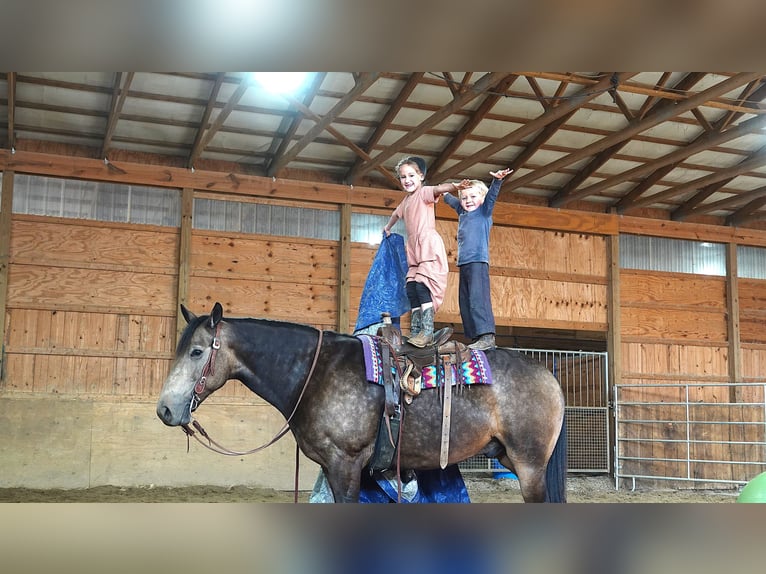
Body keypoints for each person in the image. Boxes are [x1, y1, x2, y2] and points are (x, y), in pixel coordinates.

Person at [383, 156, 464, 348]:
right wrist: (388, 227)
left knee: (421, 286)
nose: (407, 180)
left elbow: (438, 189)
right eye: (403, 177)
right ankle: (416, 329)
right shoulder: (406, 201)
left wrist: (455, 185)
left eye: (411, 175)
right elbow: (396, 214)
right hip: (414, 250)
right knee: (411, 289)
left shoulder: (424, 193)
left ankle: (427, 331)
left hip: (427, 245)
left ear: (420, 176)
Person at [443, 167, 513, 351]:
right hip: (463, 263)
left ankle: (487, 335)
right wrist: (436, 192)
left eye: (473, 197)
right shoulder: (462, 212)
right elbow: (450, 199)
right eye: (465, 198)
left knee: (477, 298)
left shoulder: (484, 212)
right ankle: (475, 336)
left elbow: (491, 197)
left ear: (482, 198)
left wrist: (497, 181)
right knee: (465, 300)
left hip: (478, 261)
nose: (468, 201)